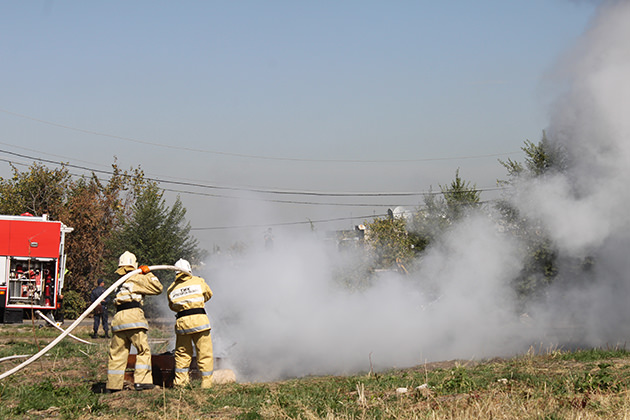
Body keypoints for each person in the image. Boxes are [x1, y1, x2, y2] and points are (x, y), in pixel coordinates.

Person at [105, 251, 163, 393]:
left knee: (117, 353)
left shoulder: (119, 282)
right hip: (133, 317)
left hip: (118, 319)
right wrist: (148, 273)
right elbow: (158, 288)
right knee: (143, 350)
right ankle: (142, 382)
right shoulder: (136, 278)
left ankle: (113, 385)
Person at [167, 258, 214, 388]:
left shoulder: (171, 288)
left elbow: (172, 306)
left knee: (182, 354)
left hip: (182, 324)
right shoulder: (199, 281)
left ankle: (180, 383)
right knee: (204, 353)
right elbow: (208, 294)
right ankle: (206, 383)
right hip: (200, 322)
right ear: (189, 269)